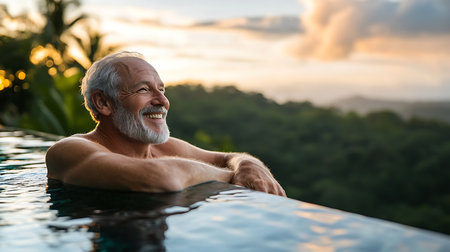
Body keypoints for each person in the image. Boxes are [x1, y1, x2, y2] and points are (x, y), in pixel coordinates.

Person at [45, 51, 286, 197]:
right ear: (103, 102)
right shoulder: (69, 150)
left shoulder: (164, 148)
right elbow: (162, 178)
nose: (162, 101)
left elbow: (229, 157)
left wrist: (247, 164)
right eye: (143, 89)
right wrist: (232, 175)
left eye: (162, 89)